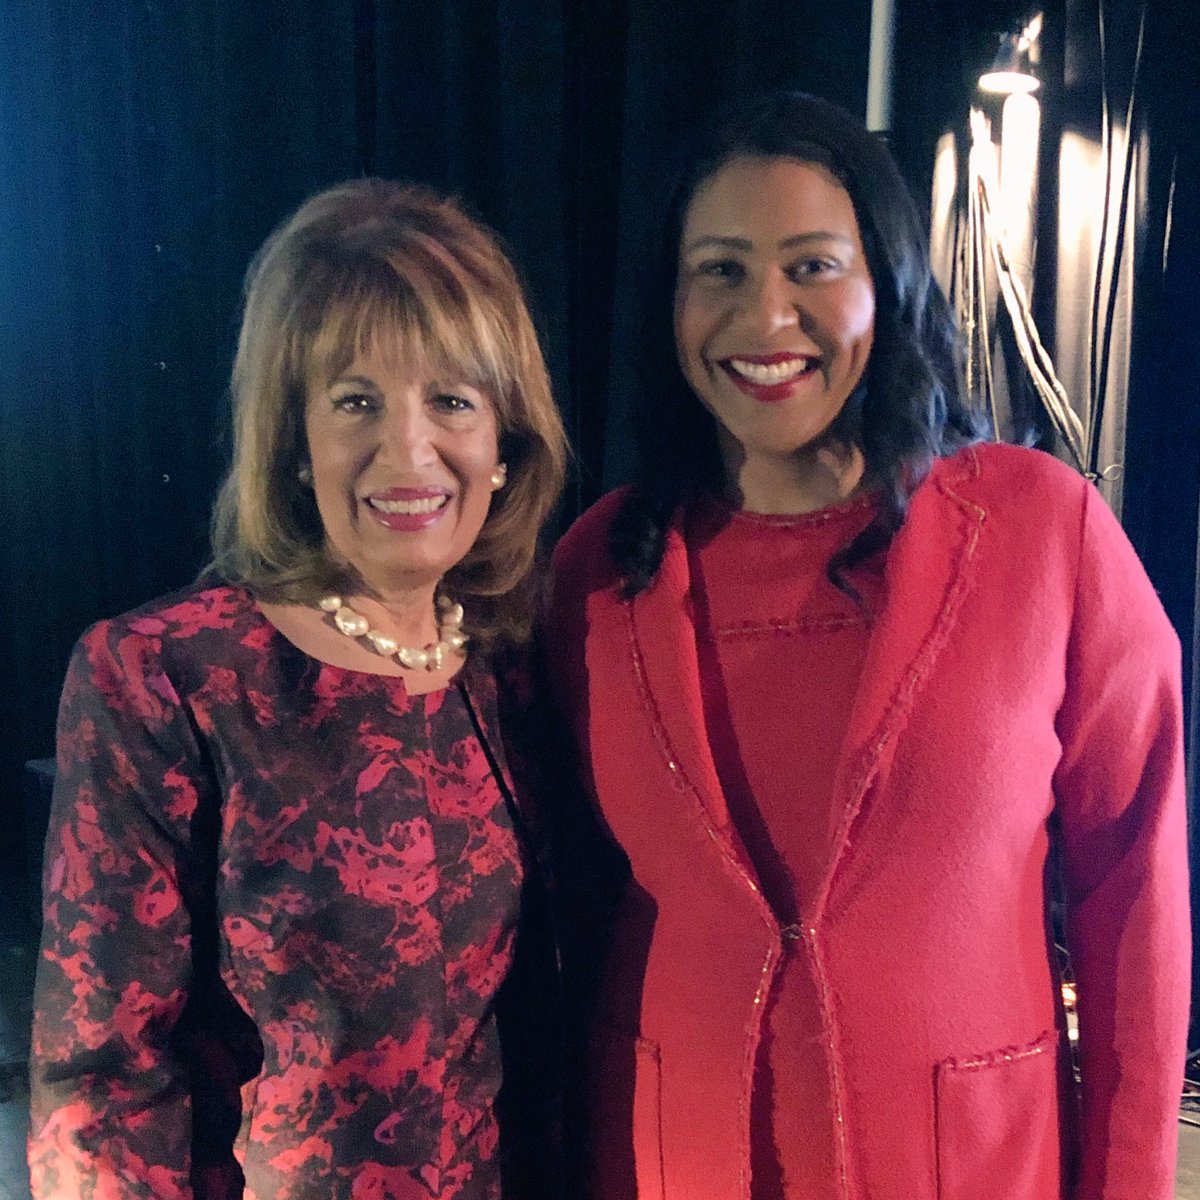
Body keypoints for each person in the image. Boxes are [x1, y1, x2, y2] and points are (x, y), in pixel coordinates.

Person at [546, 91, 1189, 1200]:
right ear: (669, 301)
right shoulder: (597, 568)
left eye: (812, 266)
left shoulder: (1044, 532)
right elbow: (564, 902)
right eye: (719, 270)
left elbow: (1134, 898)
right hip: (666, 1160)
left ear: (886, 284)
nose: (766, 316)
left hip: (972, 1168)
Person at [28, 179, 567, 1200]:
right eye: (356, 401)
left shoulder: (517, 667)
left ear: (505, 444)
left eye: (452, 400)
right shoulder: (165, 676)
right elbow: (100, 1086)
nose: (409, 451)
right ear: (294, 441)